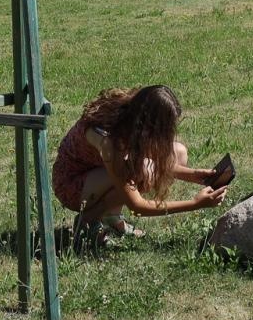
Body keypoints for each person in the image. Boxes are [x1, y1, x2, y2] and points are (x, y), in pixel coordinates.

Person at [52, 85, 226, 245]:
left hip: (98, 173)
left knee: (178, 152)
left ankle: (111, 217)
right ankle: (89, 221)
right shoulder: (110, 143)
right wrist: (195, 203)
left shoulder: (131, 115)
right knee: (142, 172)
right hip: (72, 184)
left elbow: (147, 158)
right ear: (148, 125)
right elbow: (138, 206)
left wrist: (193, 175)